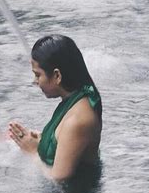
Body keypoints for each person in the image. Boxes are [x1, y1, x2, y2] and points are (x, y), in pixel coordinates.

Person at [9, 35, 102, 182]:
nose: (35, 82)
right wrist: (42, 139)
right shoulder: (74, 99)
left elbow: (58, 178)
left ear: (57, 75)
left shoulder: (78, 120)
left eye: (37, 75)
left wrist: (32, 151)